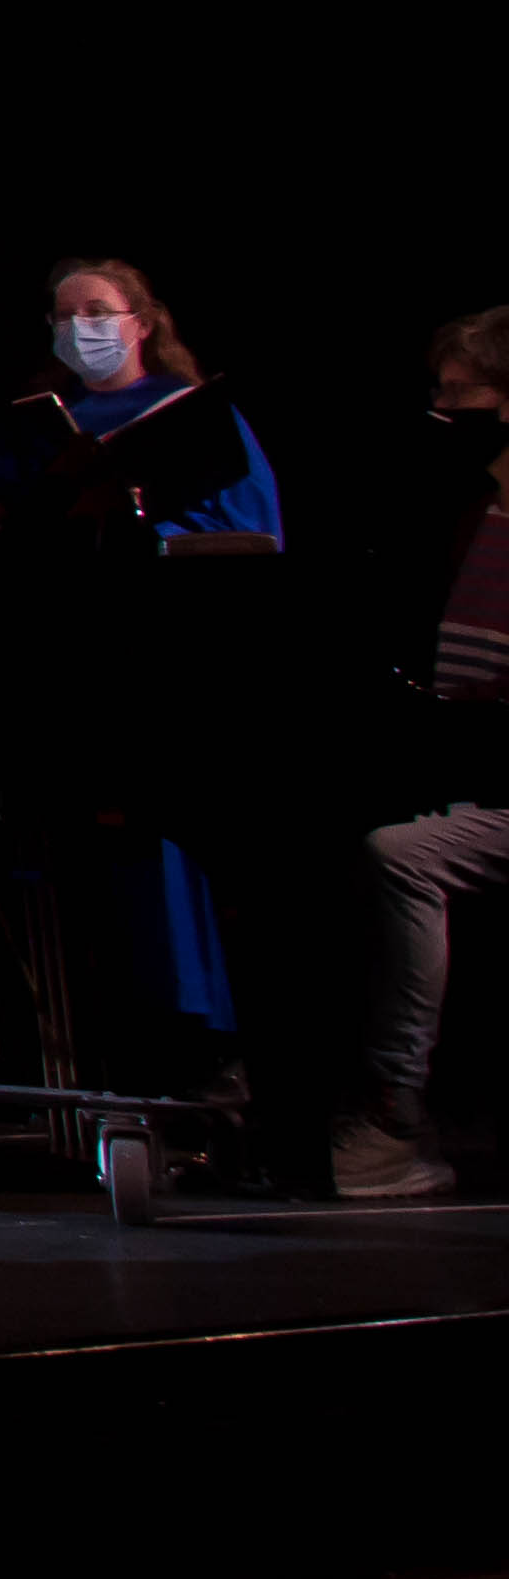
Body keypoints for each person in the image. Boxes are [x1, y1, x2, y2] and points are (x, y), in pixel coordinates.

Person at [0, 252, 284, 1097]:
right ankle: (88, 1047)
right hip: (70, 662)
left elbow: (248, 532)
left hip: (173, 661)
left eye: (97, 311)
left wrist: (140, 521)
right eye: (64, 317)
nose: (80, 330)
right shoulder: (42, 427)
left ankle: (203, 1041)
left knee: (166, 846)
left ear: (141, 320)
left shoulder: (192, 414)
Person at [328, 306, 509, 1202]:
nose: (441, 410)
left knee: (404, 854)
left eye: (458, 392)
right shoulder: (478, 508)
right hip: (486, 772)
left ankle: (397, 1114)